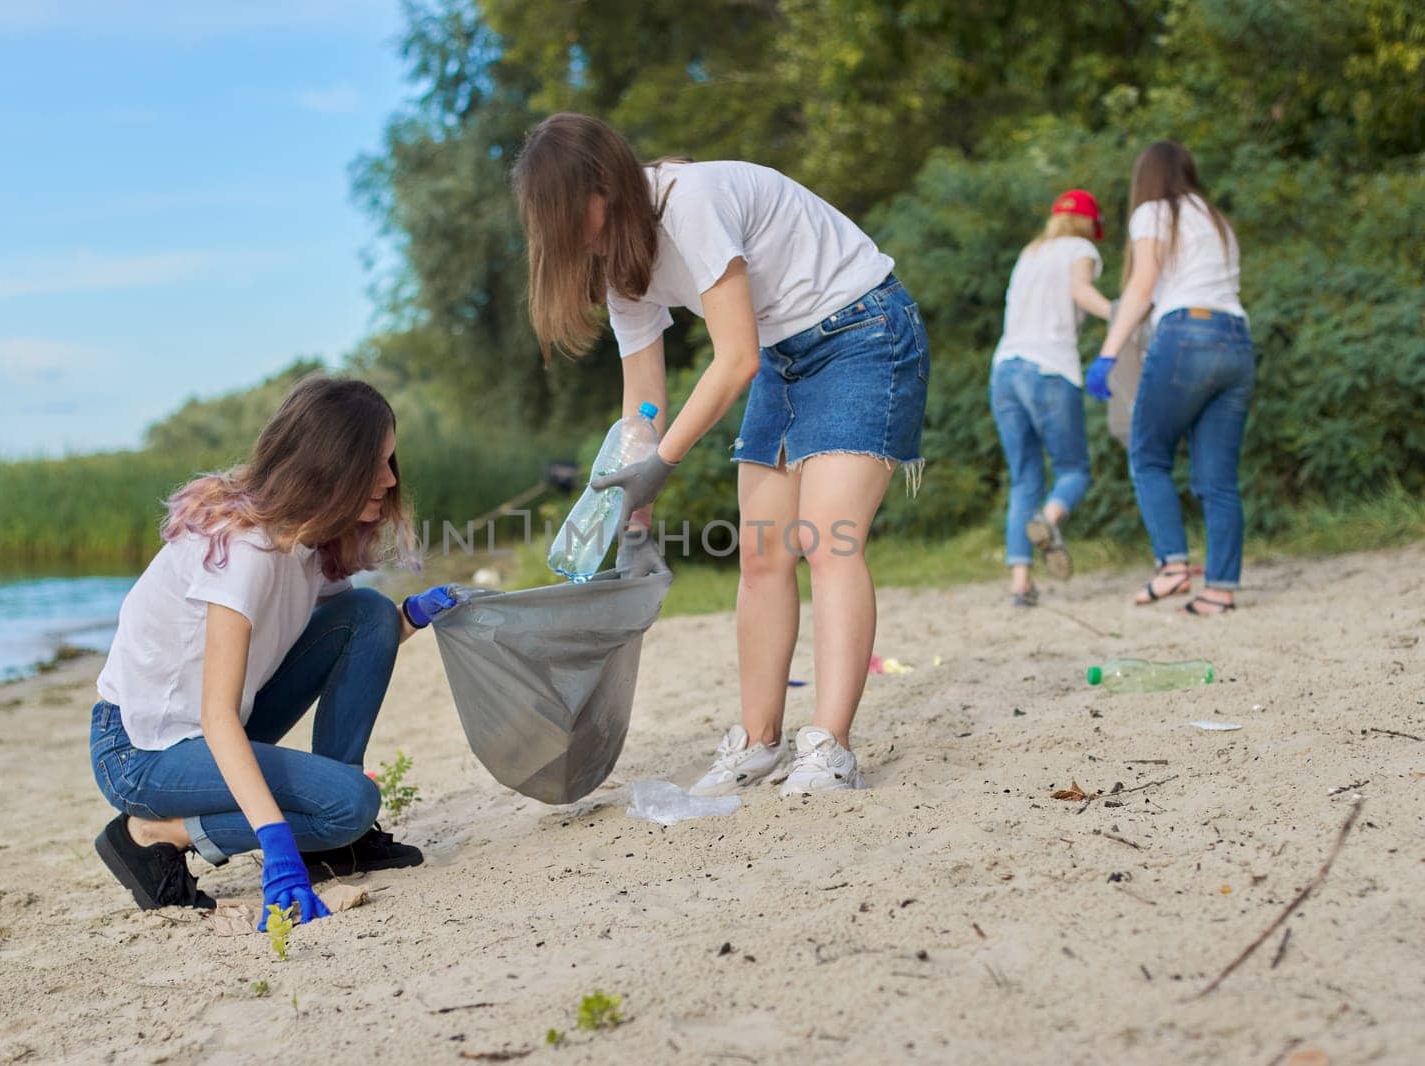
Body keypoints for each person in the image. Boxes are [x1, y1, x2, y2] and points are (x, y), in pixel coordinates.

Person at [512, 113, 928, 797]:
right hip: (783, 360)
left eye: (566, 214)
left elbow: (734, 359)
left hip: (861, 333)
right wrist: (630, 503)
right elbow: (643, 399)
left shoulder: (688, 203)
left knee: (830, 539)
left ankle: (829, 746)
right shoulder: (619, 267)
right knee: (763, 555)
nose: (564, 236)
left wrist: (662, 465)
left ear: (604, 187)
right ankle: (759, 741)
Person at [88, 375, 458, 926]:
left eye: (390, 460)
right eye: (375, 463)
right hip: (142, 753)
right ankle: (154, 834)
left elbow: (352, 639)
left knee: (369, 612)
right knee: (351, 804)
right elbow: (217, 717)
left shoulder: (306, 541)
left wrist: (411, 618)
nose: (388, 479)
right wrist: (278, 844)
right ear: (331, 466)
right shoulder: (248, 551)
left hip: (213, 728)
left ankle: (333, 839)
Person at [1087, 142, 1252, 615]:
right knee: (1218, 478)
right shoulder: (1216, 219)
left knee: (1148, 453)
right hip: (1237, 340)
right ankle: (1219, 590)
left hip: (1185, 336)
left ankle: (1173, 566)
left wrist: (1107, 355)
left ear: (1148, 177)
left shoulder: (1154, 213)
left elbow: (1142, 287)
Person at [989, 189, 1112, 606]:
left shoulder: (1030, 253)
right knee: (1074, 471)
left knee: (1025, 478)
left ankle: (1020, 583)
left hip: (1005, 370)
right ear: (1088, 226)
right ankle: (1048, 518)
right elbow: (1080, 290)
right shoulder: (1081, 249)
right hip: (1050, 368)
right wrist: (1120, 311)